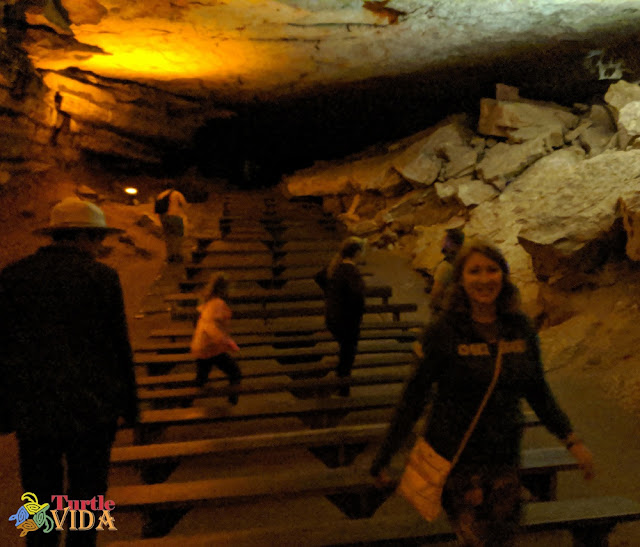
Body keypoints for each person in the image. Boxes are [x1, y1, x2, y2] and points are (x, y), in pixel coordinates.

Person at [370, 239, 595, 546]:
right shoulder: (444, 331)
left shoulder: (519, 329)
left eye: (492, 270)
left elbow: (537, 390)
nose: (484, 279)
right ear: (460, 279)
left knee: (502, 537)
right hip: (458, 458)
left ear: (503, 275)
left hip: (504, 457)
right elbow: (414, 397)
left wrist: (572, 440)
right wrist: (385, 455)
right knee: (480, 539)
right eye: (474, 271)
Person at [0, 197, 138, 547]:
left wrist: (5, 411)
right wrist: (130, 406)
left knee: (38, 493)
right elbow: (117, 346)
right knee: (87, 494)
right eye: (98, 239)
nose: (100, 247)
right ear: (85, 237)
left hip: (35, 409)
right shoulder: (103, 278)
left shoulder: (13, 277)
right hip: (91, 409)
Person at [315, 237, 366, 397]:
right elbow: (358, 297)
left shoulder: (335, 266)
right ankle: (343, 387)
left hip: (333, 318)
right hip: (346, 320)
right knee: (348, 353)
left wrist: (331, 295)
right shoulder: (351, 271)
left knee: (345, 350)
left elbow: (319, 277)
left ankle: (341, 380)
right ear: (357, 253)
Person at [190, 272, 242, 404]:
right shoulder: (217, 304)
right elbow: (211, 327)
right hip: (211, 348)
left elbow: (201, 322)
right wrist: (227, 342)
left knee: (201, 380)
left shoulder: (208, 301)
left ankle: (185, 403)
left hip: (202, 348)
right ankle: (232, 402)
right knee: (235, 372)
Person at [429, 227, 465, 315]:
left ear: (451, 243)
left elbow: (436, 293)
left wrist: (434, 307)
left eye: (445, 240)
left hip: (446, 313)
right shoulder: (464, 262)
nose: (442, 243)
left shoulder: (446, 266)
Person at [155, 185, 188, 263]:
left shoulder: (161, 194)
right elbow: (184, 204)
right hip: (175, 217)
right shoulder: (177, 193)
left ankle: (170, 256)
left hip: (163, 218)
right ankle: (177, 255)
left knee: (168, 237)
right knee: (178, 237)